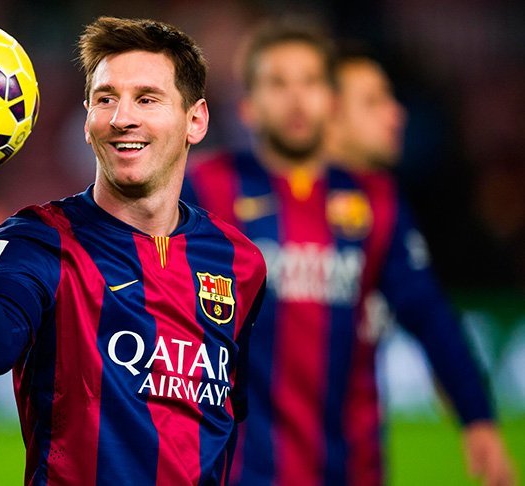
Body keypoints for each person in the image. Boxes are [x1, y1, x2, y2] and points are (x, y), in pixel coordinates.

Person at [0, 16, 266, 485]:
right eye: (106, 99)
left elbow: (236, 421)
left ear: (195, 120)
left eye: (146, 99)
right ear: (86, 120)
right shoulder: (39, 240)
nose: (121, 118)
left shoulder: (238, 260)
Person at [182, 19, 514, 485]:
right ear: (248, 108)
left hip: (351, 468)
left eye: (310, 82)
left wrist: (476, 415)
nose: (296, 99)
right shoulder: (206, 188)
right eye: (278, 84)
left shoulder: (375, 201)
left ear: (331, 102)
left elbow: (430, 315)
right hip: (240, 470)